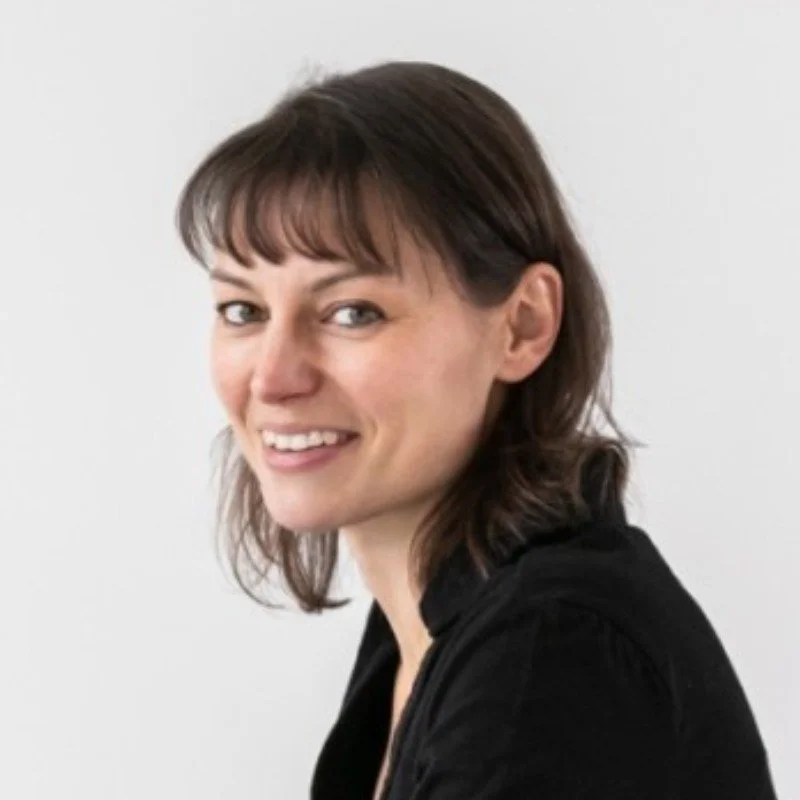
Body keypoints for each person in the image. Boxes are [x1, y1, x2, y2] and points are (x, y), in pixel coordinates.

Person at [175, 60, 778, 799]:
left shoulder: (551, 653)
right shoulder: (428, 631)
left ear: (522, 325)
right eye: (243, 311)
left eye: (352, 312)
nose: (272, 378)